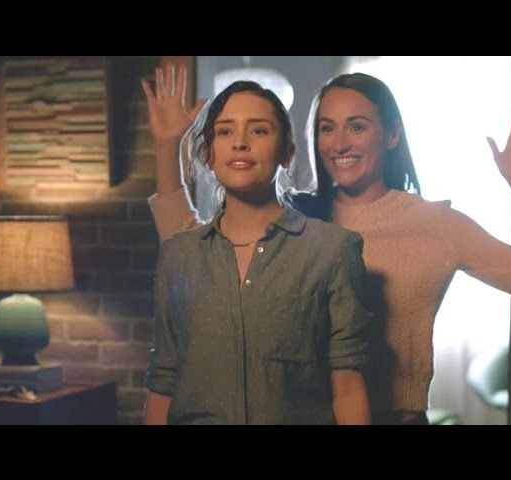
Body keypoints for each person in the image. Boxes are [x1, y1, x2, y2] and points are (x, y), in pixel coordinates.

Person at [144, 64, 511, 425]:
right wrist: (166, 148)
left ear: (392, 135)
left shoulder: (436, 224)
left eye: (357, 126)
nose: (339, 143)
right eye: (327, 128)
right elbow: (191, 247)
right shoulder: (296, 218)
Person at [141, 73, 373, 424]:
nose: (240, 143)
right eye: (225, 132)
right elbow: (164, 379)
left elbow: (348, 390)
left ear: (286, 153)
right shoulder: (180, 255)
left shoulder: (333, 250)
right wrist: (166, 145)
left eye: (259, 131)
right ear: (208, 154)